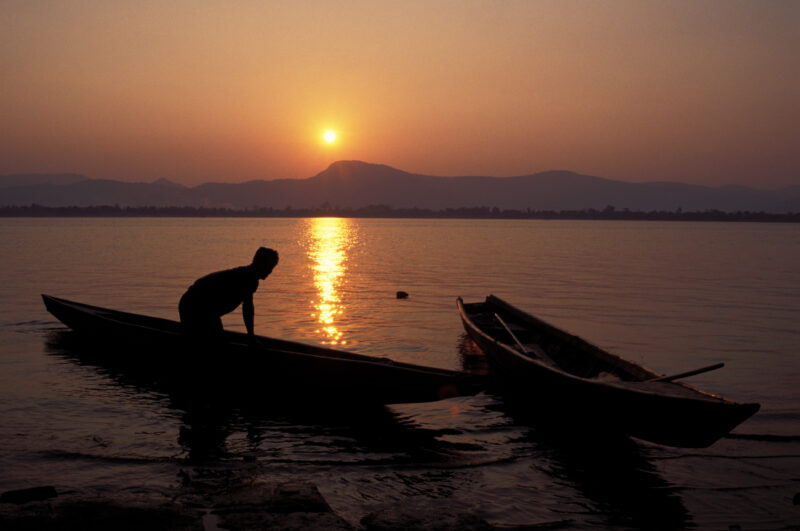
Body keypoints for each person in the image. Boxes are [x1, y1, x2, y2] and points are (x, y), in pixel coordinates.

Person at [179, 247, 279, 337]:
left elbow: (248, 307)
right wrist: (251, 336)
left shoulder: (249, 276)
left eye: (272, 268)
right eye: (269, 267)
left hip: (200, 307)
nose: (270, 271)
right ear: (260, 263)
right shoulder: (248, 279)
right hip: (195, 305)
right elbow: (247, 310)